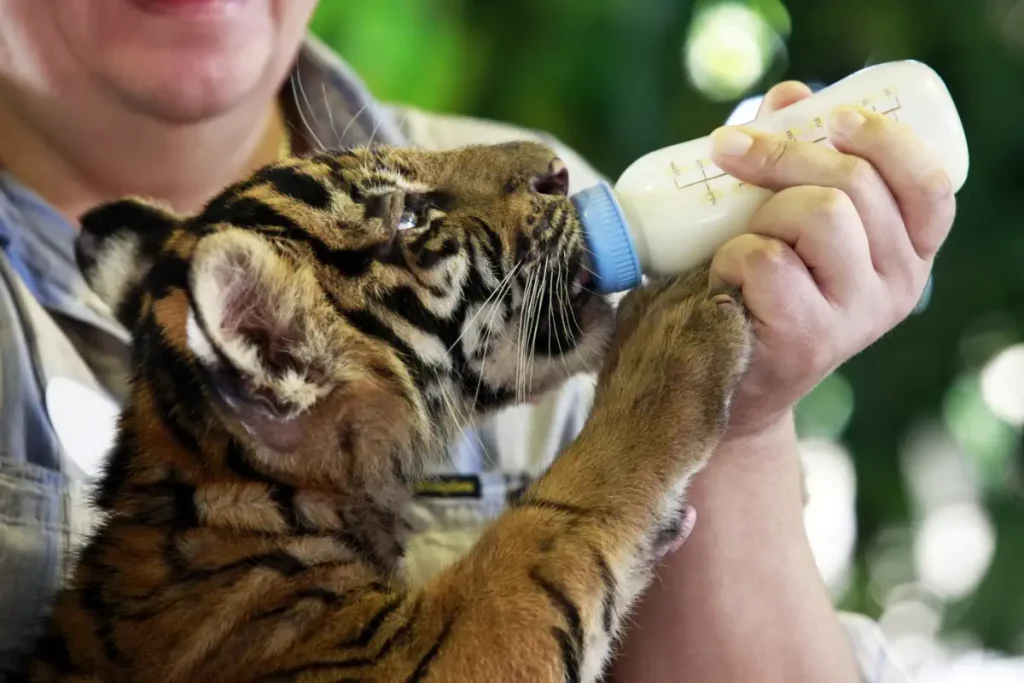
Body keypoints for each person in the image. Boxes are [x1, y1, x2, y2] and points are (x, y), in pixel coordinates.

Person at [0, 1, 954, 681]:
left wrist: (740, 421)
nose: (537, 170)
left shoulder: (575, 215)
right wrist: (627, 455)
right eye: (413, 216)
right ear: (275, 357)